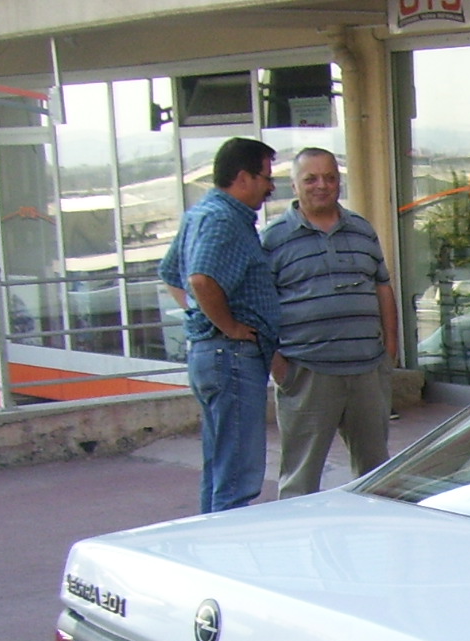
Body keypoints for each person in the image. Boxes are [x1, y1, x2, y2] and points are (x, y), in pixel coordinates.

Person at [262, 148, 400, 497]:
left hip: (367, 370)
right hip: (307, 374)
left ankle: (372, 530)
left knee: (376, 476)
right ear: (294, 185)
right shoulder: (273, 239)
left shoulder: (362, 230)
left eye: (330, 178)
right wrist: (279, 367)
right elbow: (259, 306)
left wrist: (390, 350)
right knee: (300, 479)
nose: (322, 185)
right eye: (311, 179)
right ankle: (298, 533)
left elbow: (382, 286)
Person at [160, 137, 280, 513]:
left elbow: (171, 274)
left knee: (220, 468)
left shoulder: (201, 213)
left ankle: (211, 535)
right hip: (231, 355)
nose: (271, 186)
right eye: (266, 177)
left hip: (213, 354)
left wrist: (201, 316)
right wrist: (227, 326)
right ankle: (229, 543)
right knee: (237, 475)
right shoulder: (223, 219)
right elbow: (200, 280)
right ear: (243, 177)